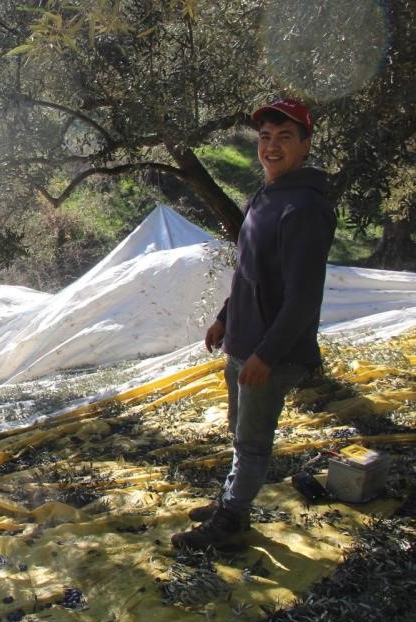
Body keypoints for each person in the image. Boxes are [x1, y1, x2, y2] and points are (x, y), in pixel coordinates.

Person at [172, 98, 337, 552]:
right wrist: (226, 318)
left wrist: (266, 354)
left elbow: (304, 298)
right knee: (239, 429)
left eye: (285, 137)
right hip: (243, 341)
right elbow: (251, 271)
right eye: (265, 137)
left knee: (253, 441)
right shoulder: (266, 196)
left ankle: (232, 523)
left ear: (304, 144)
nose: (272, 146)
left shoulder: (305, 207)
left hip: (272, 350)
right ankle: (232, 500)